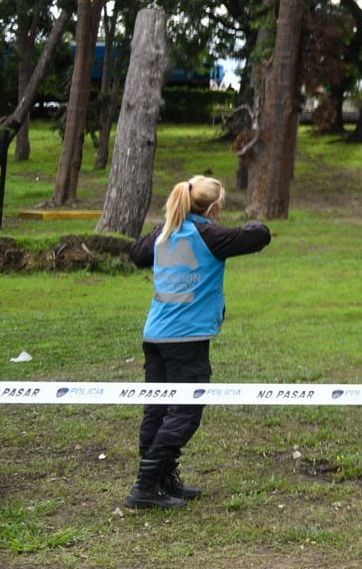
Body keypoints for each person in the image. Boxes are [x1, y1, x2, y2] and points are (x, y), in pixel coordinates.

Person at [123, 176, 272, 510]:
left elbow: (136, 254)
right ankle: (146, 485)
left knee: (158, 409)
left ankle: (160, 480)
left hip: (155, 334)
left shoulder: (164, 234)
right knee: (185, 412)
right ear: (215, 207)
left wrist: (171, 221)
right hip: (187, 338)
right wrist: (253, 219)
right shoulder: (210, 236)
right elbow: (258, 235)